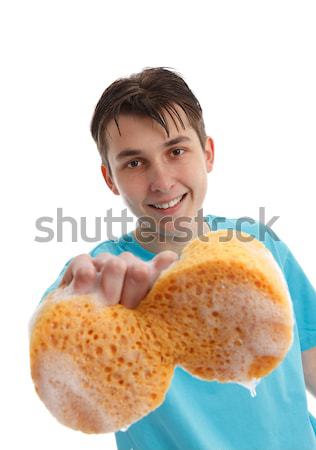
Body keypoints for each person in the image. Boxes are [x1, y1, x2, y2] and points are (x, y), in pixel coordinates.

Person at [40, 67, 316, 450]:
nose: (162, 181)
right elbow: (62, 362)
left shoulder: (259, 245)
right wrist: (77, 312)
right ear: (110, 178)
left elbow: (311, 360)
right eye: (134, 163)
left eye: (176, 151)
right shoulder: (106, 277)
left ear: (208, 153)